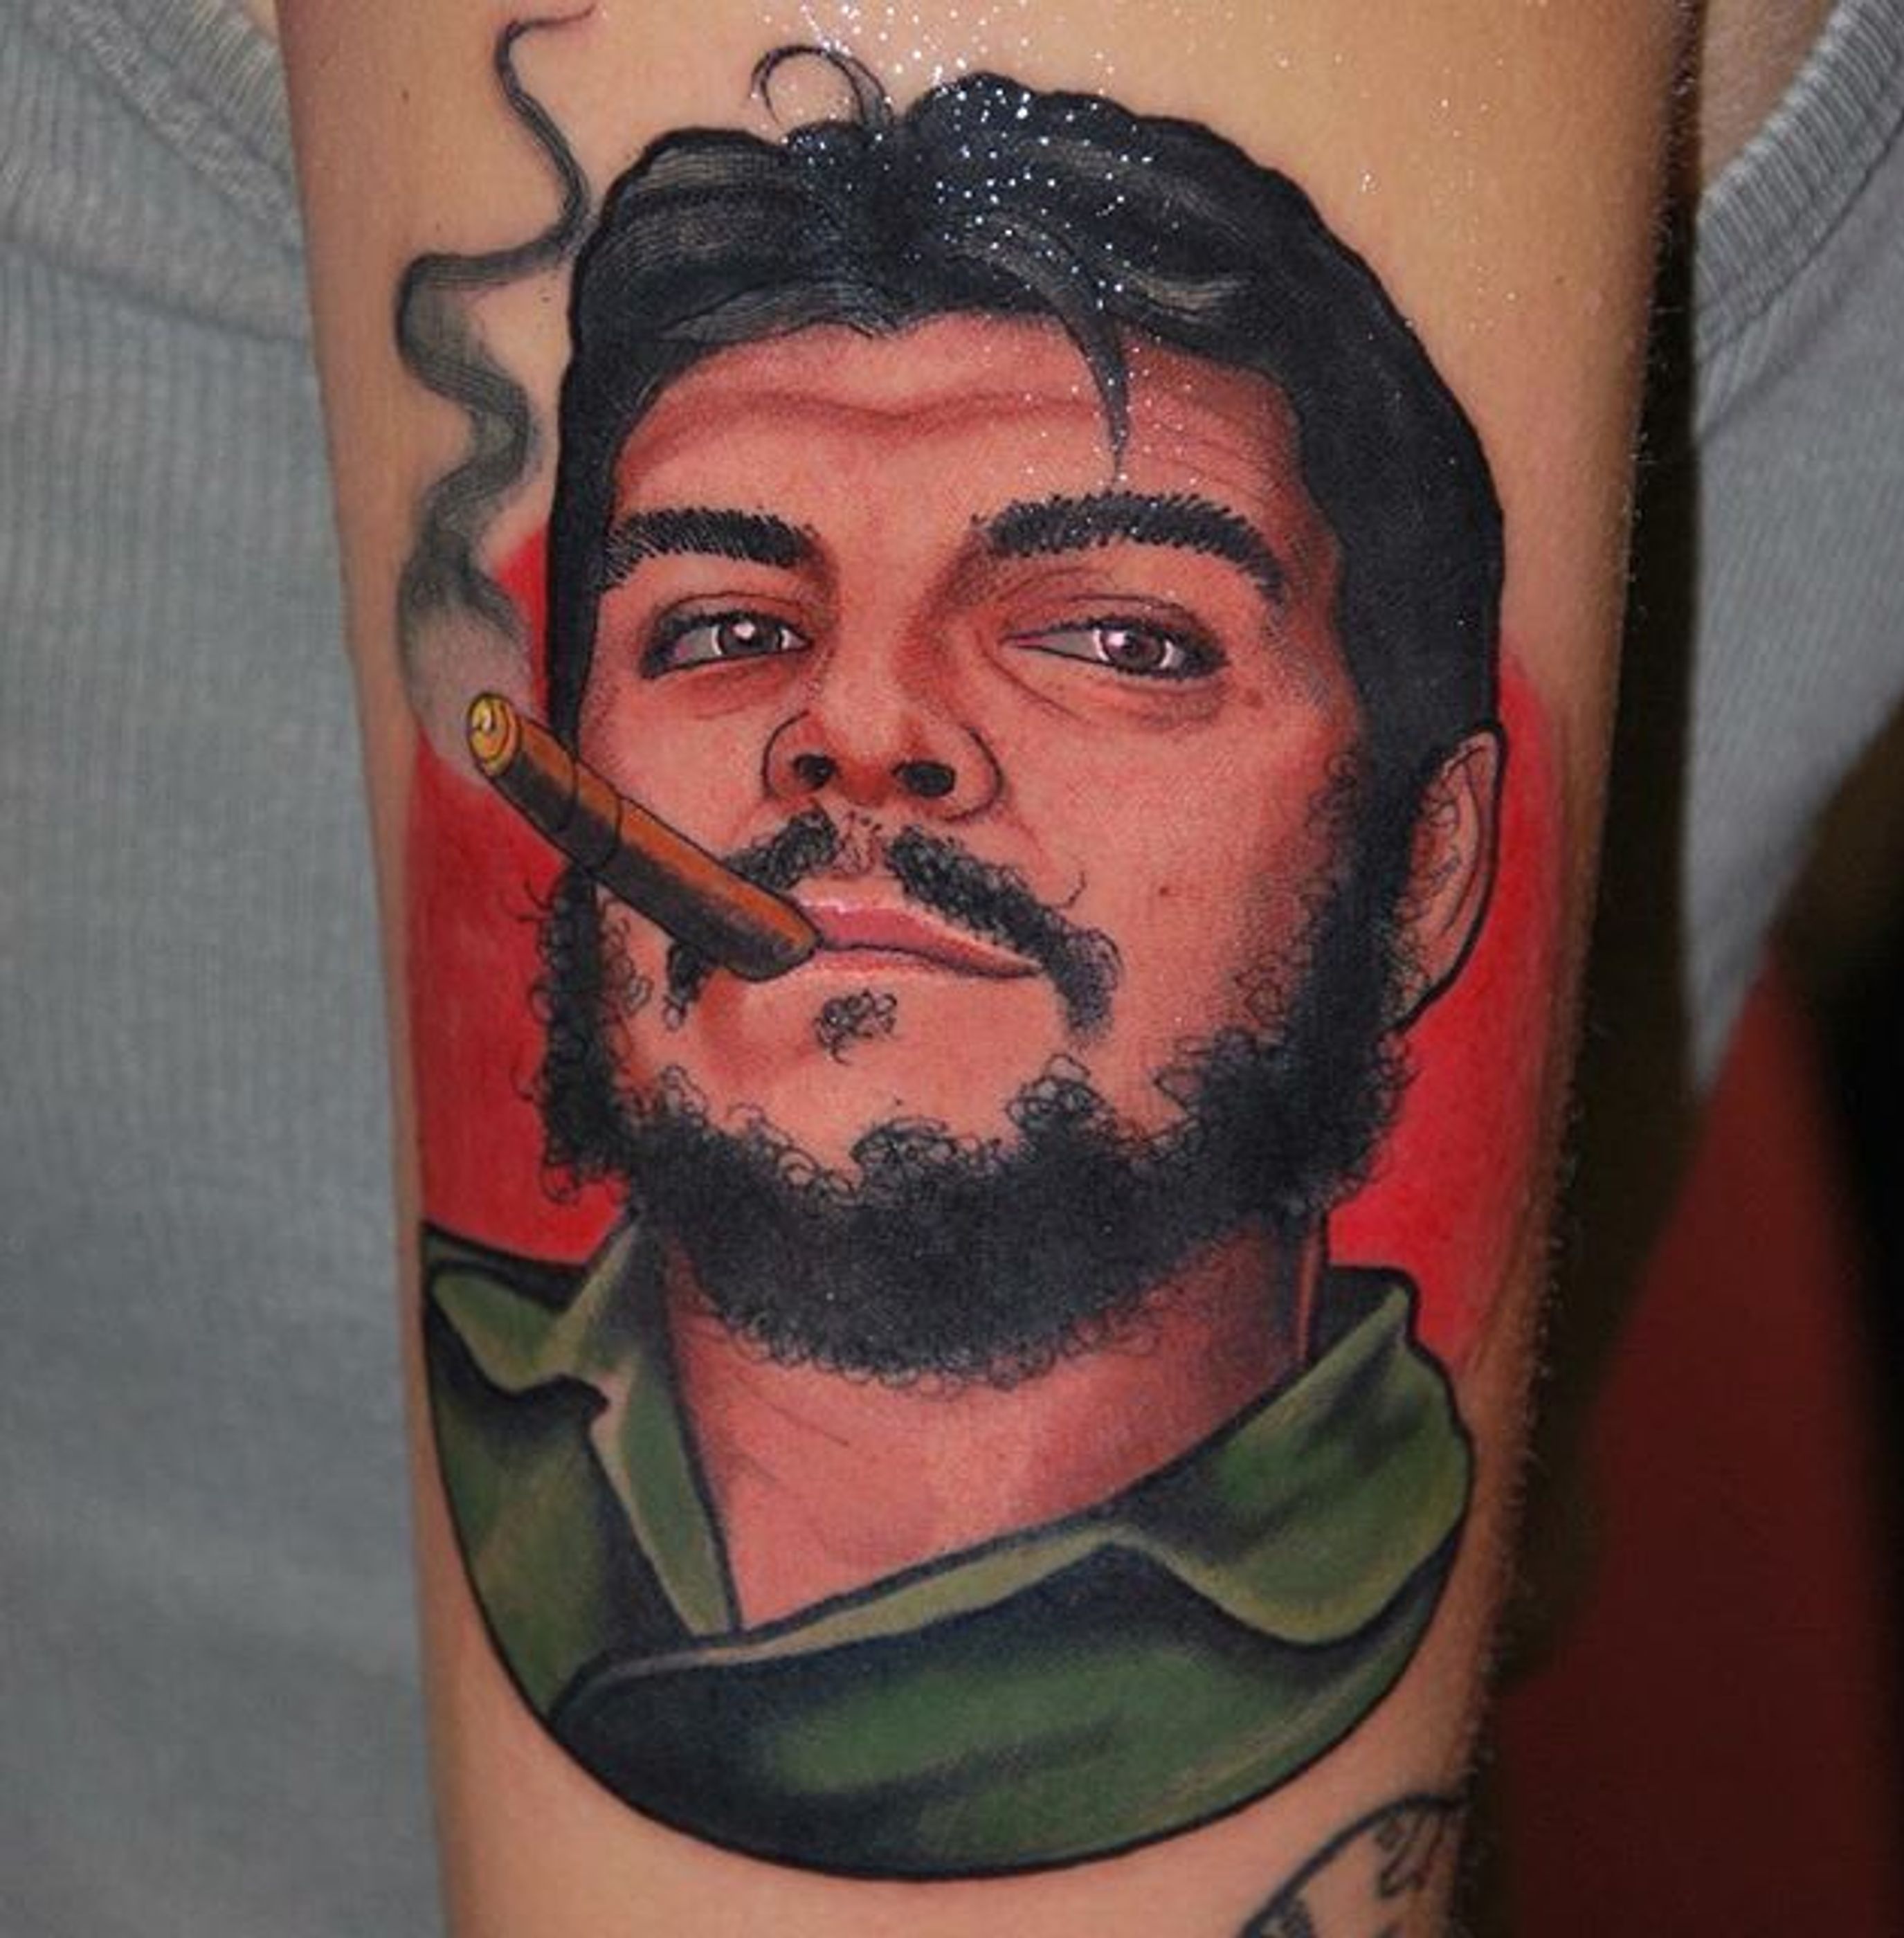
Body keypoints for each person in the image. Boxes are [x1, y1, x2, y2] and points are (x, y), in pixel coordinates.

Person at [422, 60, 1503, 1875]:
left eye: (1116, 639)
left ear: (1427, 868)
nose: (853, 729)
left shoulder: (1376, 1604)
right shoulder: (470, 1405)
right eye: (725, 627)